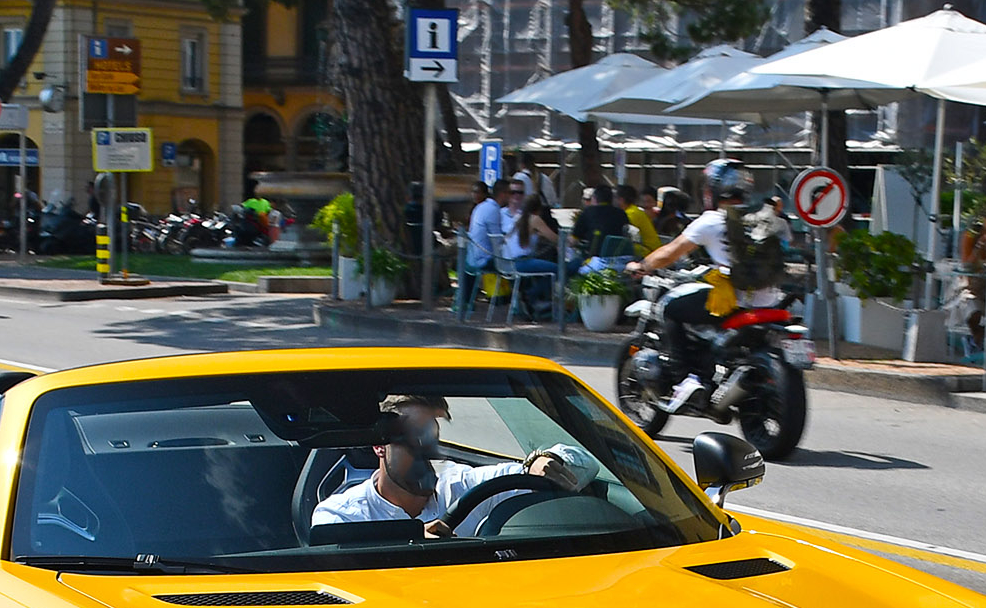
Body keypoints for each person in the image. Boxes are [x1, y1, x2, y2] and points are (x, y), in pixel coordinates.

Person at [310, 398, 600, 537]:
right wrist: (410, 541)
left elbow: (587, 463)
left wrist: (545, 460)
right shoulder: (341, 515)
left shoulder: (462, 485)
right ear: (379, 446)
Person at [629, 158, 784, 404]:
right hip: (771, 301)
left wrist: (642, 266)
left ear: (713, 188)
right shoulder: (766, 217)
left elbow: (670, 252)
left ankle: (686, 380)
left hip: (733, 301)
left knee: (670, 308)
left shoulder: (713, 220)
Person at [457, 181, 519, 313]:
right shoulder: (493, 210)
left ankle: (515, 302)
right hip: (484, 258)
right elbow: (496, 241)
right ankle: (518, 305)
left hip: (474, 256)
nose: (512, 196)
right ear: (503, 194)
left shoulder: (482, 206)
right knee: (520, 265)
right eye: (510, 193)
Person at [572, 185, 632, 254]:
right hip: (618, 257)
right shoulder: (622, 214)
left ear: (594, 198)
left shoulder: (588, 212)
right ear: (612, 199)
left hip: (595, 259)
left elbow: (574, 240)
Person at [617, 184, 659, 256]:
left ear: (621, 200)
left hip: (649, 251)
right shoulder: (633, 210)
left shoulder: (632, 213)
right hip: (647, 249)